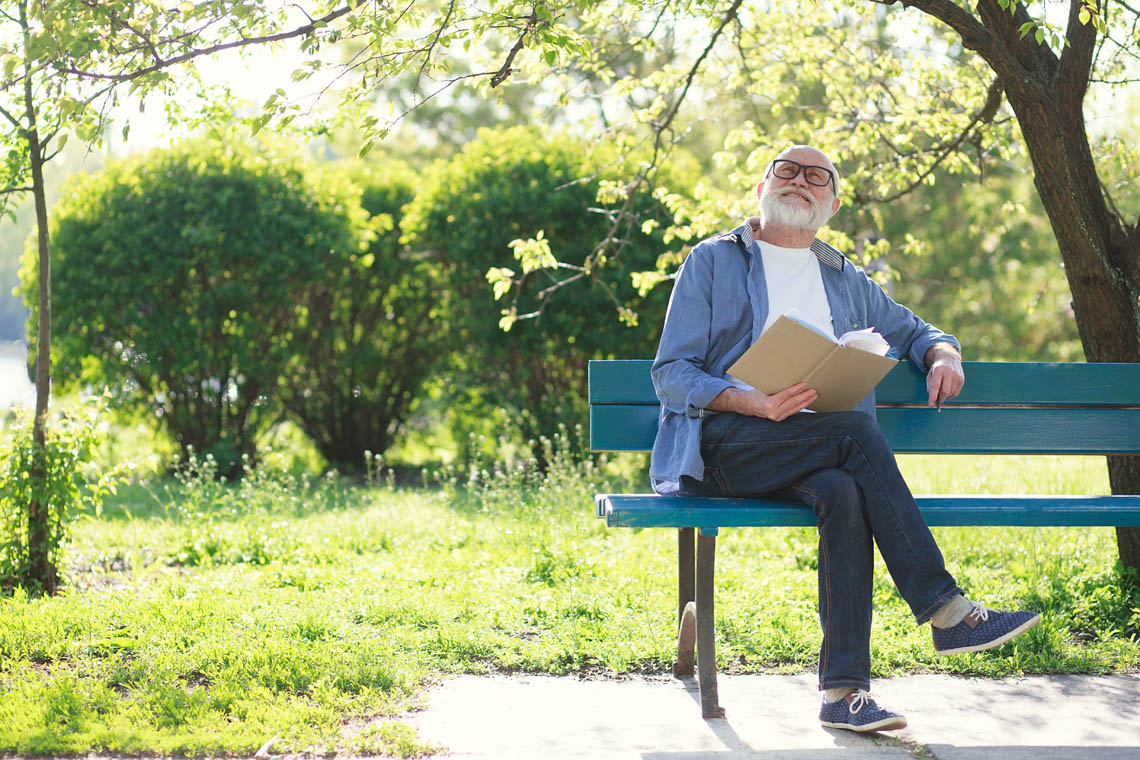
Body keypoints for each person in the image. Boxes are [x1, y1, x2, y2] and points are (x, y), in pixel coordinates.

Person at [650, 145, 1040, 733]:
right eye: (787, 170)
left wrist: (943, 352)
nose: (800, 181)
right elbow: (671, 372)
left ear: (831, 203)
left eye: (817, 177)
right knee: (856, 433)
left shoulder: (843, 275)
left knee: (842, 488)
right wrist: (750, 398)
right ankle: (945, 609)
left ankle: (843, 693)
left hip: (816, 448)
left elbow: (917, 330)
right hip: (726, 445)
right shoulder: (714, 260)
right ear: (762, 186)